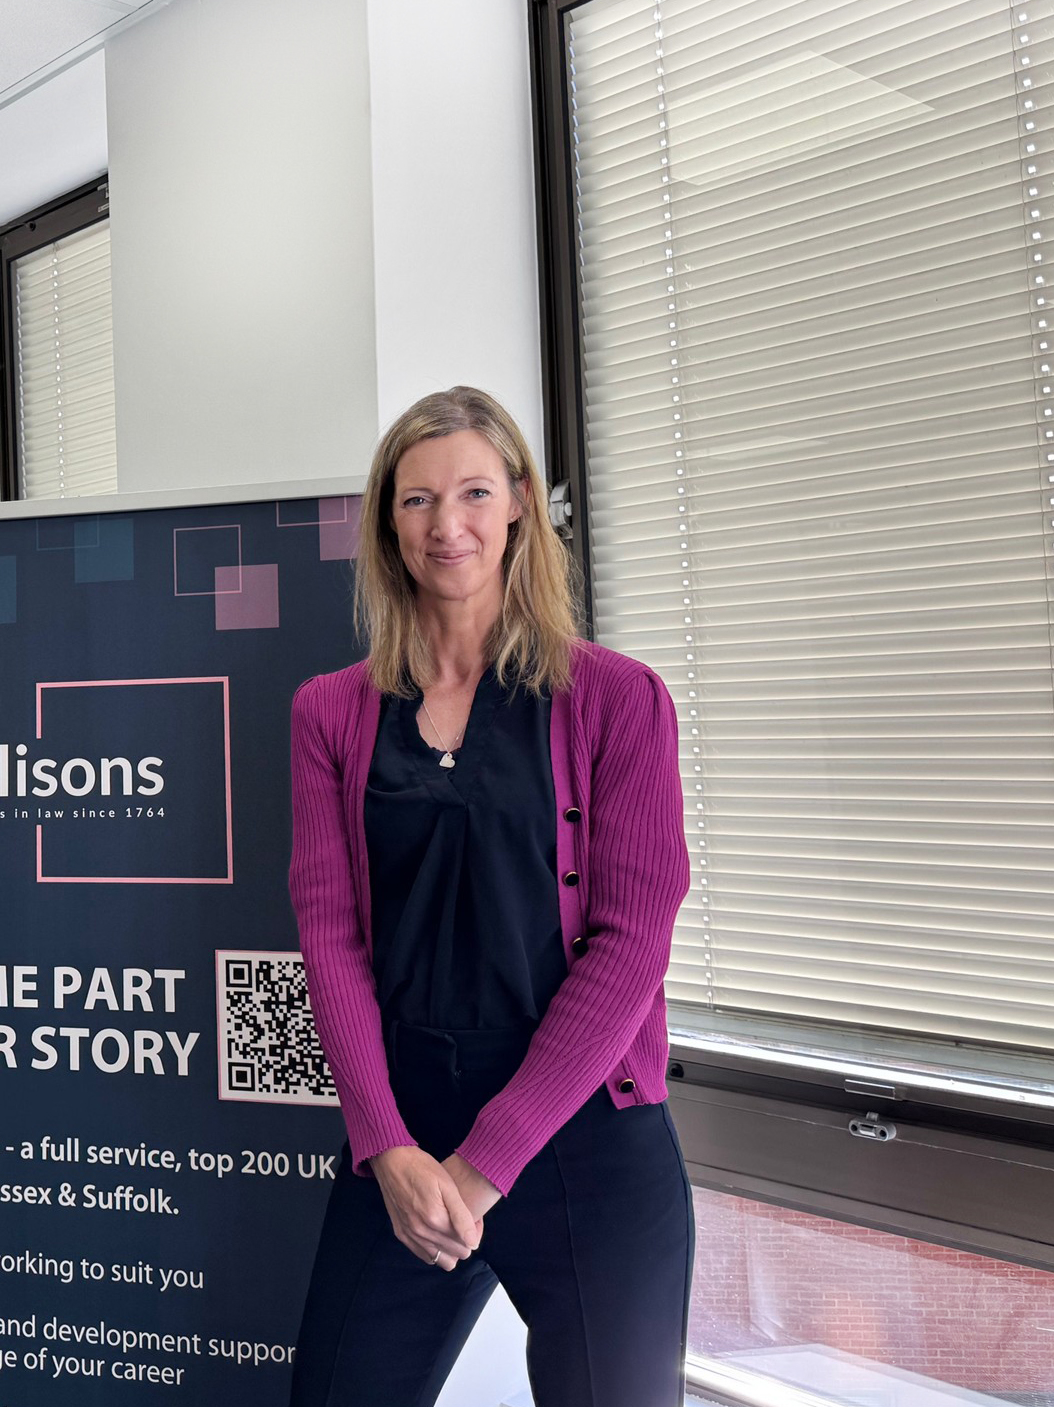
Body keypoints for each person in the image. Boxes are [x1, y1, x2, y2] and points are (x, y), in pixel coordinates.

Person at [287, 387, 694, 1406]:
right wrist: (383, 1145)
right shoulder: (330, 713)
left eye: (473, 491)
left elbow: (630, 943)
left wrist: (485, 1166)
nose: (446, 524)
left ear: (519, 502)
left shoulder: (616, 698)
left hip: (585, 1136)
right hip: (405, 1137)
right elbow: (330, 939)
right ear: (388, 520)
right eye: (416, 499)